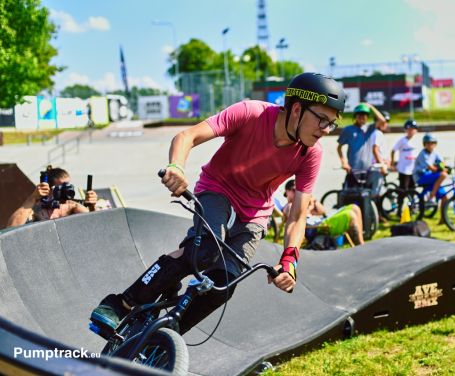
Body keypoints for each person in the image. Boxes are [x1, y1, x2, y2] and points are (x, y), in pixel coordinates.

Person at [89, 72, 346, 336]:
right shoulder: (250, 113)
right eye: (322, 120)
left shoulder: (311, 153)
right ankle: (121, 302)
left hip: (255, 212)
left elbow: (297, 216)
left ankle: (165, 338)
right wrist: (176, 167)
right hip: (217, 188)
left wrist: (289, 260)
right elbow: (186, 136)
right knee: (204, 250)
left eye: (332, 124)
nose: (326, 131)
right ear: (296, 109)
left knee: (224, 284)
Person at [6, 166, 97, 228]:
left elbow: (95, 225)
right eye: (62, 187)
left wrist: (92, 206)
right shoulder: (36, 210)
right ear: (48, 189)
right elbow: (11, 228)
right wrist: (33, 198)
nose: (66, 191)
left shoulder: (71, 206)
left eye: (68, 186)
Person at [282, 180, 364, 245]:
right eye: (294, 190)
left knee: (354, 207)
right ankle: (360, 246)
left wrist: (313, 200)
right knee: (350, 215)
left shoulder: (303, 203)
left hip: (322, 222)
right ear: (287, 192)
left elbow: (322, 211)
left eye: (300, 190)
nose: (298, 192)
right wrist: (309, 208)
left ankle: (361, 243)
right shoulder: (289, 206)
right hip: (317, 228)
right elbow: (295, 219)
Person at [336, 103, 387, 188]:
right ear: (355, 116)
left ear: (367, 117)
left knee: (366, 197)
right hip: (353, 170)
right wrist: (344, 162)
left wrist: (371, 107)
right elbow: (339, 148)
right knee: (352, 198)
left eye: (364, 114)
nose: (362, 116)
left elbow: (382, 120)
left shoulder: (370, 128)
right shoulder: (348, 130)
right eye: (359, 114)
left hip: (368, 170)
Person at [413, 134, 448, 204]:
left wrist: (445, 167)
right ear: (424, 144)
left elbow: (443, 163)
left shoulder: (435, 152)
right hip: (420, 177)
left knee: (445, 197)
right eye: (428, 143)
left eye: (432, 143)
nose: (430, 145)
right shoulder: (423, 154)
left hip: (429, 176)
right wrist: (442, 169)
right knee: (443, 175)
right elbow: (432, 169)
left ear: (435, 144)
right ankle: (431, 196)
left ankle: (443, 215)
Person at [367, 109, 390, 197]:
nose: (385, 124)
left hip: (378, 166)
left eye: (387, 122)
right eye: (384, 122)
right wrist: (382, 166)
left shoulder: (378, 133)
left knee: (379, 191)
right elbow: (375, 150)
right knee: (375, 193)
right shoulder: (377, 133)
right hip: (377, 168)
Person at [391, 119, 418, 191]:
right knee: (403, 189)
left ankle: (411, 202)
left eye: (412, 129)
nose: (410, 131)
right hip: (404, 169)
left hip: (412, 169)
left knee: (412, 188)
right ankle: (400, 202)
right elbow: (393, 150)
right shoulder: (402, 140)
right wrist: (393, 164)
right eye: (409, 129)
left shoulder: (415, 140)